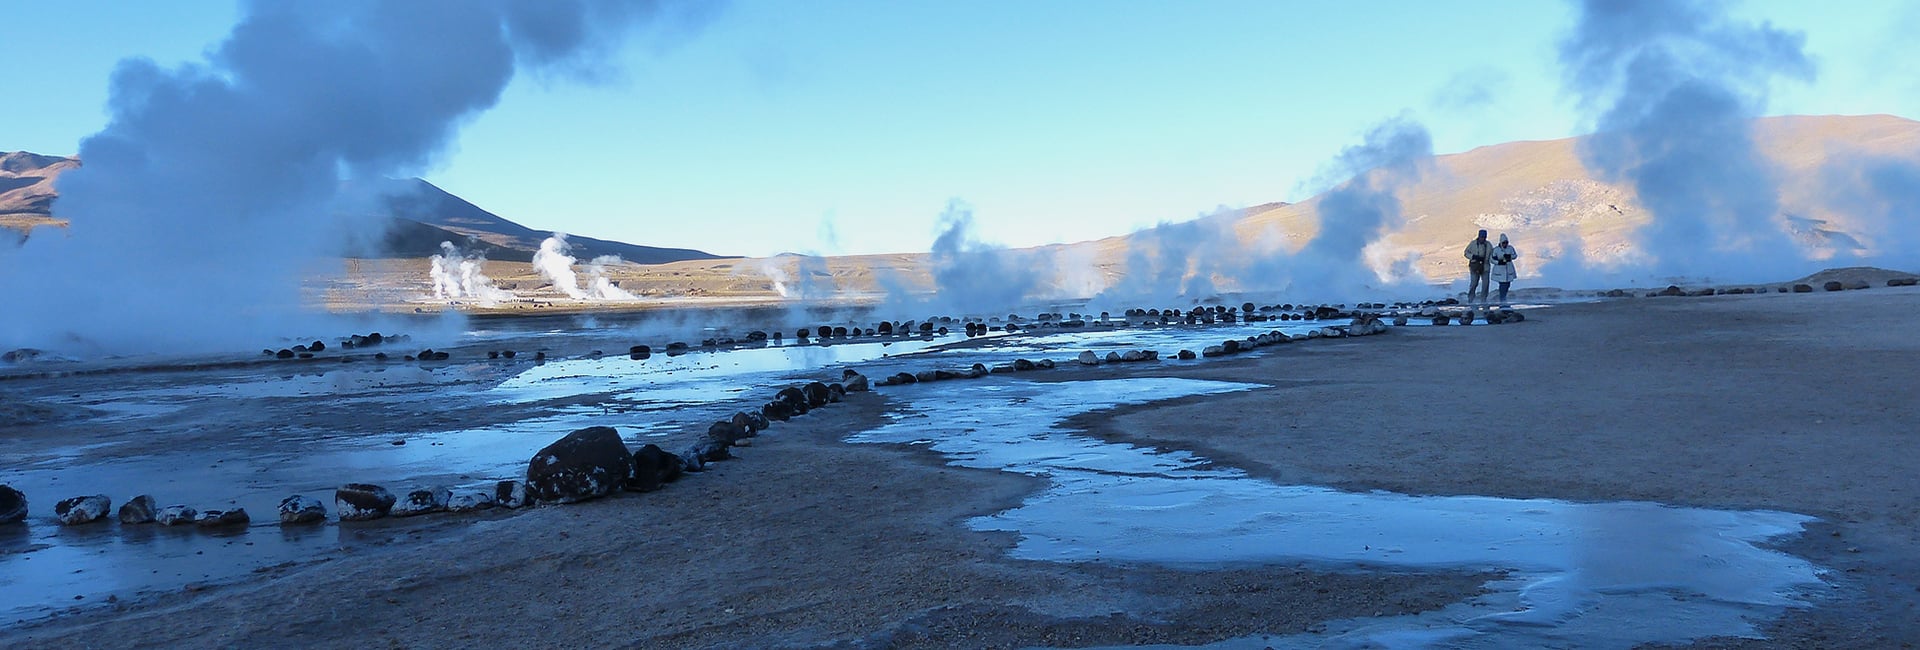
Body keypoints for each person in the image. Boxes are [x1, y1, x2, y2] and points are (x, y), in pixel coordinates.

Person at [1463, 229, 1492, 303]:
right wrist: (1473, 257)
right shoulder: (1473, 244)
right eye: (1482, 237)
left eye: (1484, 237)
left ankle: (1483, 300)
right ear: (1479, 236)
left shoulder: (1488, 245)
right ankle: (1470, 299)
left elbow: (1492, 255)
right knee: (1473, 284)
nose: (1483, 238)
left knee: (1486, 285)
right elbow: (1466, 253)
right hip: (1474, 267)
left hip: (1485, 267)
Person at [1490, 233, 1520, 306]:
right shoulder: (1496, 250)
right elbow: (1491, 259)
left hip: (1508, 269)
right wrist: (1498, 262)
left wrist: (1509, 257)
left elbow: (1515, 255)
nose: (1505, 244)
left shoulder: (1510, 248)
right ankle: (1502, 299)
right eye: (1504, 243)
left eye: (1506, 242)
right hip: (1499, 270)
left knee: (1507, 284)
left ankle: (1503, 298)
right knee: (1502, 284)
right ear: (1500, 242)